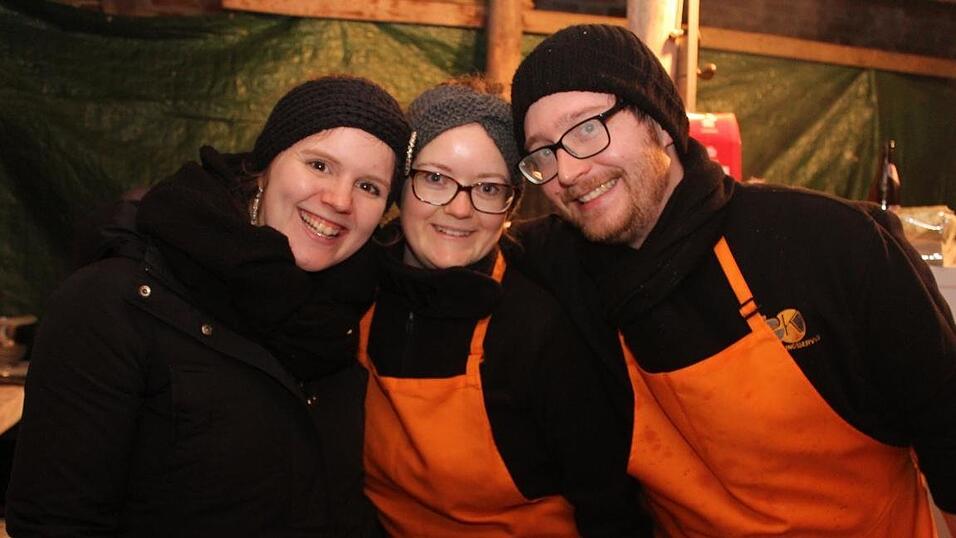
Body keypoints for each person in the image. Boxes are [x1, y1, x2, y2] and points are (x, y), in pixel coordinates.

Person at [508, 24, 956, 537]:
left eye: (587, 128)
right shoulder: (562, 266)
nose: (567, 171)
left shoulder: (830, 245)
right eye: (543, 153)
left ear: (659, 122)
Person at [6, 75, 410, 537]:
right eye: (319, 165)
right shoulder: (113, 303)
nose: (339, 199)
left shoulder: (347, 320)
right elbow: (55, 522)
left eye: (370, 187)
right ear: (265, 165)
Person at [358, 79, 648, 536]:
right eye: (435, 178)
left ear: (511, 204)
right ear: (400, 185)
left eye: (489, 188)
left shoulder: (539, 333)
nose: (459, 209)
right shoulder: (351, 296)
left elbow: (609, 507)